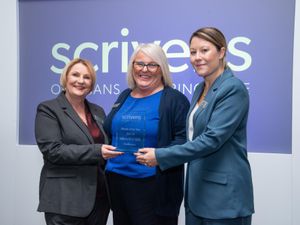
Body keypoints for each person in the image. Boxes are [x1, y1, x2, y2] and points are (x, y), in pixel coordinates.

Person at [136, 27, 255, 225]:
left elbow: (211, 140)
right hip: (197, 196)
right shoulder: (201, 88)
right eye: (193, 52)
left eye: (204, 50)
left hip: (224, 200)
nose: (197, 57)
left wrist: (160, 155)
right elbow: (193, 137)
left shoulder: (233, 88)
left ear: (222, 52)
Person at [102, 43, 190, 225]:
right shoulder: (124, 95)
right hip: (117, 182)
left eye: (152, 65)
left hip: (152, 187)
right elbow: (111, 131)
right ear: (132, 66)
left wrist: (159, 156)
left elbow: (184, 141)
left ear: (162, 69)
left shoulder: (174, 100)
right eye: (139, 63)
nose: (144, 70)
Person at [35, 58, 117, 225]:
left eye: (87, 77)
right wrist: (97, 151)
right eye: (75, 75)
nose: (81, 81)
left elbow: (108, 141)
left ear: (92, 84)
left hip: (99, 199)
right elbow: (53, 151)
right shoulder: (48, 109)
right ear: (65, 78)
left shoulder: (97, 111)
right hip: (65, 201)